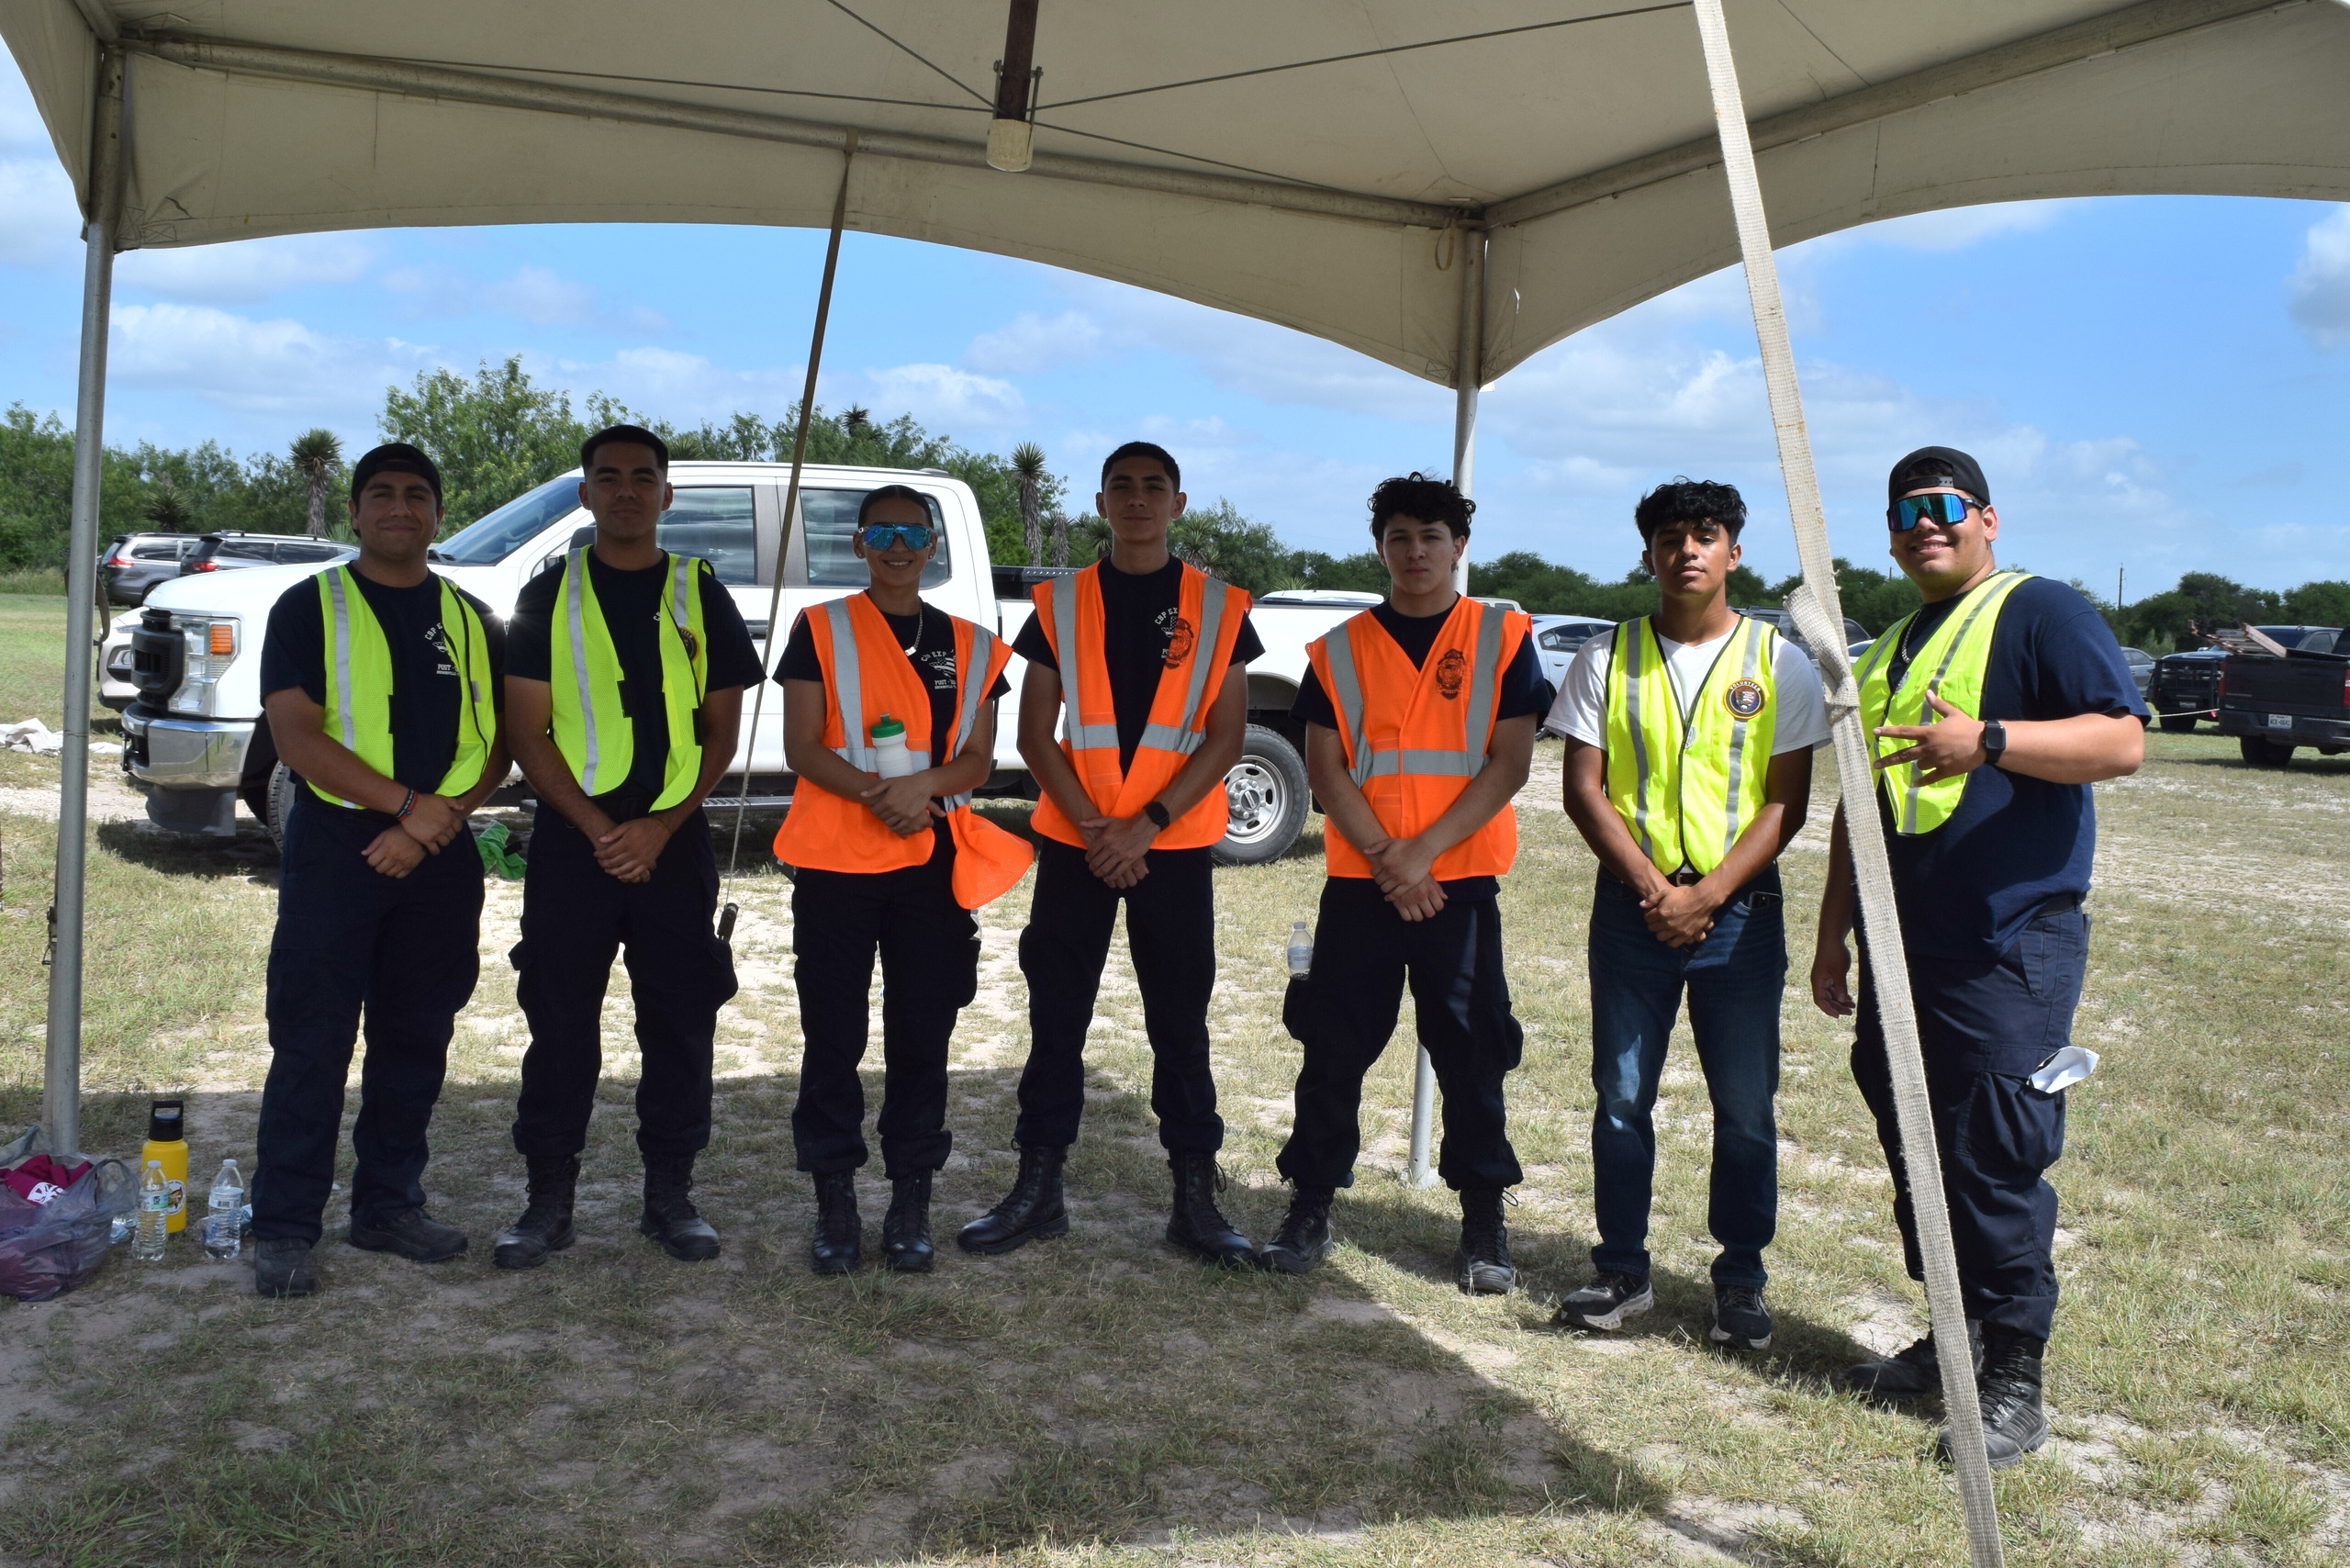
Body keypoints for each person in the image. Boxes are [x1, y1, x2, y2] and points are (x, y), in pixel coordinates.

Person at [1813, 446, 2144, 1465]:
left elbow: (2122, 742)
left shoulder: (2042, 611)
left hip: (2006, 943)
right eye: (1904, 512)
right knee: (1917, 1144)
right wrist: (1830, 935)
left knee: (1993, 1149)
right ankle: (1951, 1336)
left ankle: (2012, 1379)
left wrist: (1990, 740)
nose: (1925, 525)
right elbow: (1859, 802)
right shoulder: (1888, 647)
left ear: (1987, 518)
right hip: (1899, 944)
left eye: (1944, 505)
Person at [960, 442, 1265, 1264]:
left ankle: (1195, 1201)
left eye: (1153, 487)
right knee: (1057, 1019)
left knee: (1180, 1023)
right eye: (1121, 487)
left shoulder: (1220, 607)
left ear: (1178, 503)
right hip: (1079, 843)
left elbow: (1226, 735)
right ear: (1100, 504)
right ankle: (1038, 1191)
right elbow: (1035, 734)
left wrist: (1146, 825)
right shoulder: (1060, 604)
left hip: (1171, 845)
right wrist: (1101, 827)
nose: (1137, 499)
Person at [1547, 479, 1829, 1350]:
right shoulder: (1606, 656)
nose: (1688, 551)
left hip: (1738, 915)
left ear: (1734, 552)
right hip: (1633, 910)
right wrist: (1653, 889)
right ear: (1649, 555)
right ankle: (1621, 1272)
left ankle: (1740, 1281)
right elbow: (1583, 789)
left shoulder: (1778, 661)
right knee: (1621, 1098)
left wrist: (1706, 895)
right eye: (1670, 538)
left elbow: (1787, 803)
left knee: (1744, 1106)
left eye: (1706, 535)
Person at [1260, 474, 1540, 1293]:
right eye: (1399, 538)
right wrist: (1392, 858)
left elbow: (1510, 763)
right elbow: (1325, 769)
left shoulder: (1502, 635)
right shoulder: (1339, 649)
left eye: (1431, 537)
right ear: (1379, 548)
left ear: (1459, 547)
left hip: (1460, 885)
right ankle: (1310, 1203)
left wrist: (1423, 856)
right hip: (1364, 884)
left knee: (1473, 1053)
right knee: (1332, 1049)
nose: (1415, 552)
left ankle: (1482, 1222)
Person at [495, 424, 763, 1269]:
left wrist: (660, 825)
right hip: (574, 843)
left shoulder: (699, 592)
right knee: (559, 1023)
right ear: (585, 495)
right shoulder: (548, 593)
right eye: (608, 478)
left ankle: (670, 1196)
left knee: (680, 1022)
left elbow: (722, 731)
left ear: (666, 495)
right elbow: (526, 731)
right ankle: (548, 1201)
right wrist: (600, 828)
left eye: (643, 478)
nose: (625, 492)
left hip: (672, 842)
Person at [250, 443, 508, 1298]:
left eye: (417, 495)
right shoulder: (307, 606)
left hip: (438, 853)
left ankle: (388, 1206)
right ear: (356, 512)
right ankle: (285, 1226)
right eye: (383, 494)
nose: (401, 507)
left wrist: (433, 824)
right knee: (312, 1039)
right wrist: (406, 809)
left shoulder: (472, 619)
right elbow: (297, 737)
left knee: (415, 1037)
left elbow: (499, 742)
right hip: (339, 848)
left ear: (438, 515)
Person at [772, 485, 1031, 1274]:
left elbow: (977, 761)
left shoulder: (973, 645)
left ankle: (910, 1199)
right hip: (836, 864)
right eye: (882, 532)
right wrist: (880, 795)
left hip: (932, 863)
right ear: (859, 543)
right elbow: (802, 746)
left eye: (913, 534)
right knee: (833, 1036)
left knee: (923, 1034)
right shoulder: (820, 628)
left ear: (932, 548)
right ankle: (835, 1201)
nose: (897, 547)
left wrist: (922, 789)